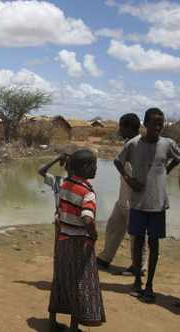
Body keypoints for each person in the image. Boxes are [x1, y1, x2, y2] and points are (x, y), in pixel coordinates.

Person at [115, 107, 180, 303]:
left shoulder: (167, 144)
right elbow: (118, 161)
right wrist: (129, 179)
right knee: (137, 242)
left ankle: (149, 285)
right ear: (145, 124)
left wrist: (165, 172)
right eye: (155, 123)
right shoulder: (134, 144)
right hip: (137, 203)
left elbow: (178, 158)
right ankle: (137, 281)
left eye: (161, 123)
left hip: (158, 204)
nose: (159, 127)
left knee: (154, 244)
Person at [48, 149, 105, 331]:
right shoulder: (88, 192)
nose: (96, 169)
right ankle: (74, 326)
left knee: (61, 278)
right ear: (86, 167)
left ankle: (52, 319)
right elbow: (87, 217)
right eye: (94, 165)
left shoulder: (65, 185)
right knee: (80, 282)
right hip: (80, 244)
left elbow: (60, 211)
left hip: (63, 241)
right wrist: (94, 234)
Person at [97, 113, 144, 275]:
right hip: (124, 197)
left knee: (135, 234)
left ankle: (139, 265)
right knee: (114, 227)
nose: (119, 129)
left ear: (129, 127)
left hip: (134, 199)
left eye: (121, 126)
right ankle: (105, 258)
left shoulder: (137, 144)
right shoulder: (129, 143)